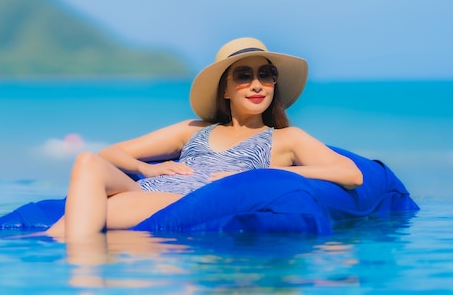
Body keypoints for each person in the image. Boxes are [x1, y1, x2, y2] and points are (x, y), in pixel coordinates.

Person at [46, 37, 363, 240]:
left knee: (67, 228)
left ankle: (74, 270)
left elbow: (350, 174)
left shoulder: (285, 137)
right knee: (87, 160)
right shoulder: (193, 129)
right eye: (244, 75)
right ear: (225, 89)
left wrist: (262, 174)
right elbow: (111, 153)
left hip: (188, 203)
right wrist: (148, 169)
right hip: (147, 190)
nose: (257, 84)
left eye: (266, 75)